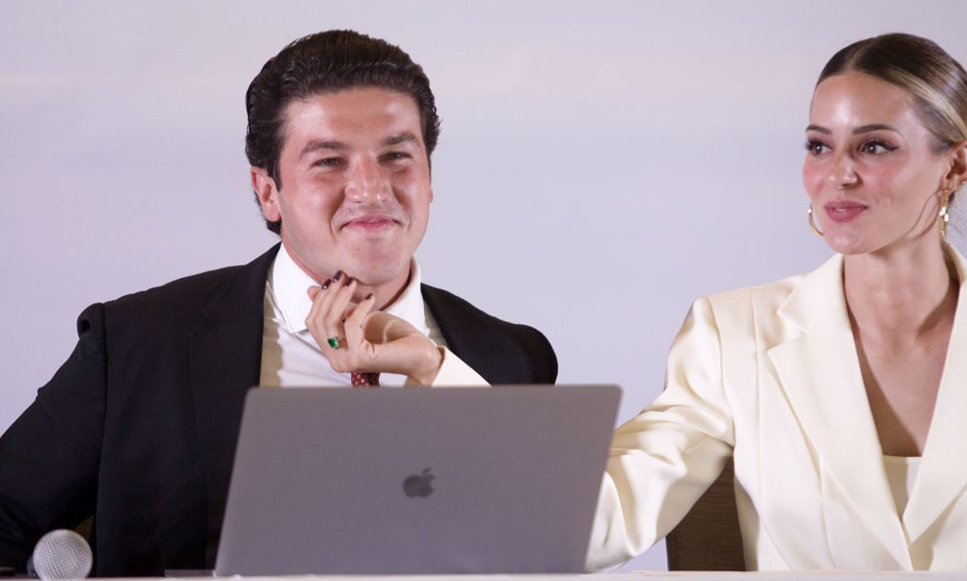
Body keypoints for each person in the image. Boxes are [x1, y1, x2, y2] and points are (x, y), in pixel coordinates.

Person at [0, 30, 557, 576]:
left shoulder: (512, 359)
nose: (371, 189)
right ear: (268, 191)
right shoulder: (136, 346)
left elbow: (550, 548)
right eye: (329, 161)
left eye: (396, 155)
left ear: (429, 179)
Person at [585, 33, 967, 571]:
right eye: (819, 146)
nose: (837, 174)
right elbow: (599, 519)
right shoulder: (732, 334)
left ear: (957, 166)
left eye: (874, 146)